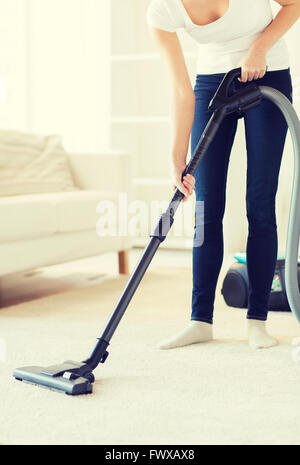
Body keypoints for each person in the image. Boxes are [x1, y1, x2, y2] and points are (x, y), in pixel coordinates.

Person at [146, 0, 300, 349]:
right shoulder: (161, 10)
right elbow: (182, 91)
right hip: (213, 81)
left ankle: (257, 321)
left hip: (268, 72)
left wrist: (259, 48)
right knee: (206, 206)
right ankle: (200, 320)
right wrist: (176, 158)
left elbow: (293, 4)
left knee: (259, 202)